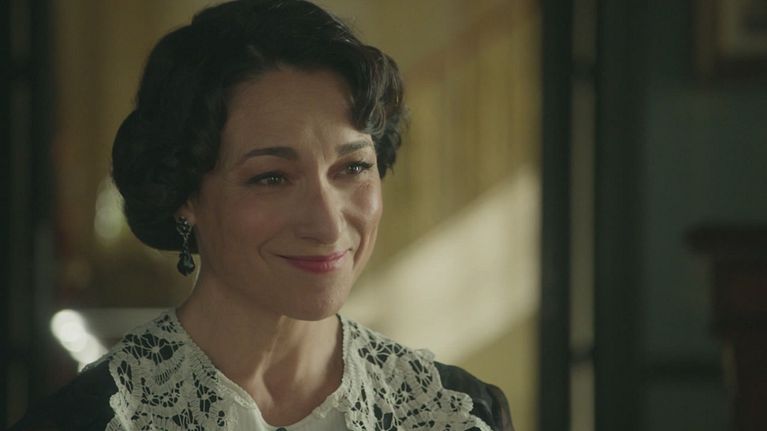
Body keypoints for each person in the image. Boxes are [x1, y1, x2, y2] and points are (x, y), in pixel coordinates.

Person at [10, 1, 513, 430]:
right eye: (272, 178)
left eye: (353, 167)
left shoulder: (456, 414)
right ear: (185, 193)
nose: (327, 223)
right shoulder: (87, 421)